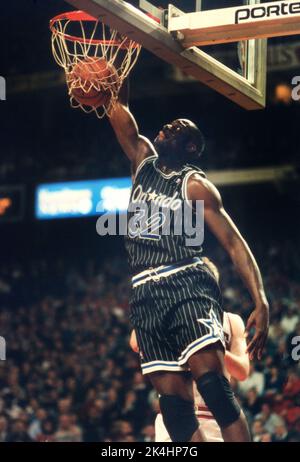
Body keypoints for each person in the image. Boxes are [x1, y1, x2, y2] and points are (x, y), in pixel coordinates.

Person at [109, 80, 269, 442]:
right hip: (144, 292)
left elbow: (232, 242)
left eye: (179, 129)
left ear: (191, 147)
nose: (169, 126)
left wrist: (261, 299)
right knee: (176, 411)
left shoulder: (194, 185)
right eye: (169, 124)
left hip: (184, 280)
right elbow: (117, 109)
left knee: (214, 388)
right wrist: (122, 56)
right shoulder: (142, 160)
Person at [130, 305, 250, 442]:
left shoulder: (231, 321)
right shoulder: (165, 310)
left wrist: (209, 345)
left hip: (213, 417)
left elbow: (242, 371)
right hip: (175, 415)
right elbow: (135, 341)